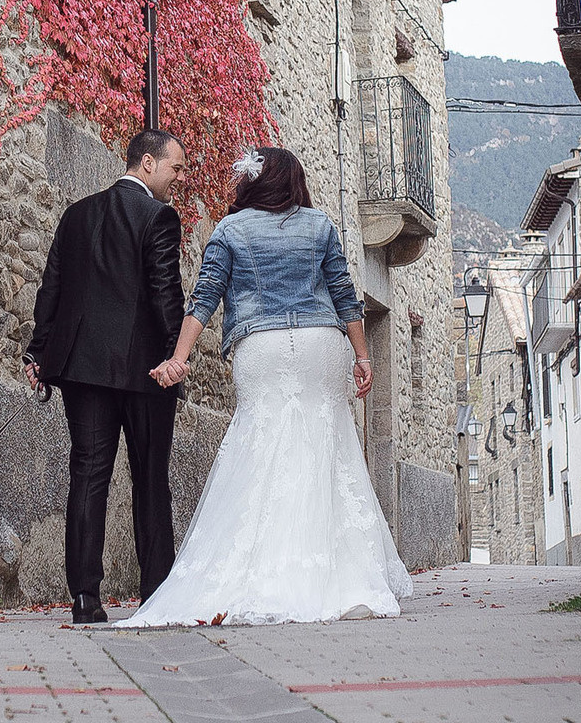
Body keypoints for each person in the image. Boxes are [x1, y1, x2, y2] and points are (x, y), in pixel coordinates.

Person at [124, 146, 411, 626]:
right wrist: (363, 356)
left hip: (262, 347)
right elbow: (345, 295)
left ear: (253, 180)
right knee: (328, 448)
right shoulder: (320, 225)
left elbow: (204, 298)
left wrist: (179, 358)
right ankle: (340, 576)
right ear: (294, 181)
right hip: (321, 344)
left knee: (261, 447)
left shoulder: (230, 229)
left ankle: (266, 571)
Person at [24, 129, 186, 625]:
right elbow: (166, 294)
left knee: (88, 475)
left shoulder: (76, 214)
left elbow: (51, 289)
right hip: (145, 371)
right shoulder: (158, 217)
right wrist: (175, 357)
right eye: (176, 167)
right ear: (147, 163)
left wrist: (38, 353)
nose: (180, 178)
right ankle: (155, 595)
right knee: (150, 477)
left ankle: (84, 599)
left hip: (83, 369)